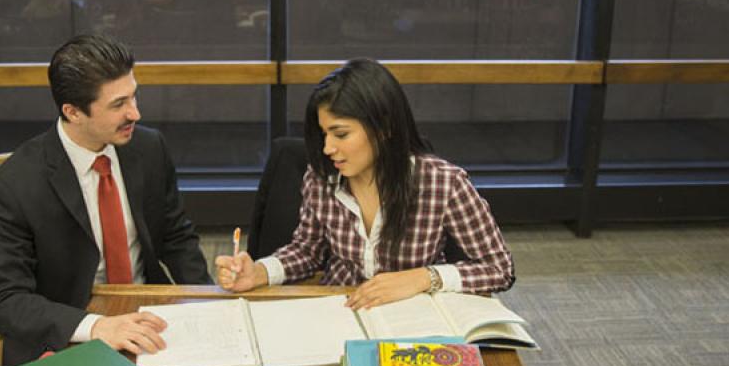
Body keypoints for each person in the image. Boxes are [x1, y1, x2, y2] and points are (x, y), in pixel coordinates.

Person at [0, 34, 211, 366]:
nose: (136, 112)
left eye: (134, 96)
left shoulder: (149, 148)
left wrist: (208, 300)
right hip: (72, 326)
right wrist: (96, 326)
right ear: (73, 112)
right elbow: (3, 301)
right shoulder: (14, 185)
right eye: (118, 105)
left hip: (149, 311)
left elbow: (175, 237)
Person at [216, 59, 514, 309]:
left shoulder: (443, 183)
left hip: (412, 313)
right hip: (341, 309)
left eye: (341, 134)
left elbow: (500, 269)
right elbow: (307, 251)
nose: (327, 148)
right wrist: (259, 272)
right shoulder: (322, 179)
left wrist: (424, 277)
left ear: (383, 128)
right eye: (324, 135)